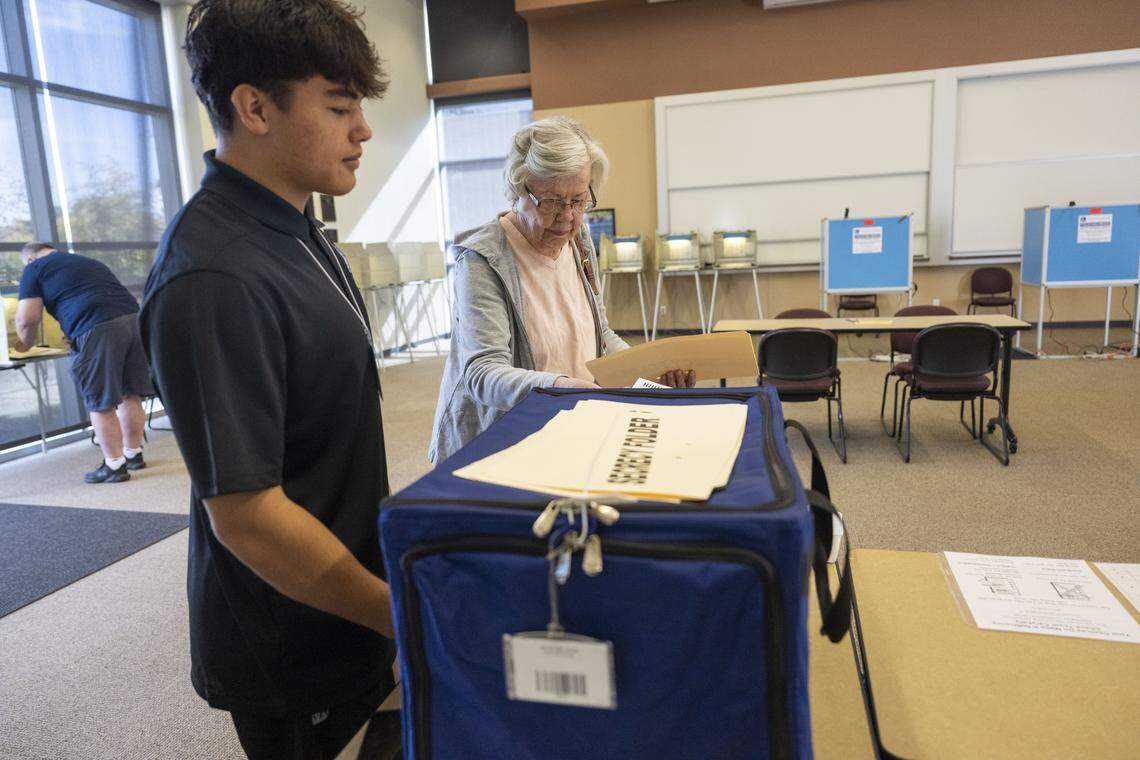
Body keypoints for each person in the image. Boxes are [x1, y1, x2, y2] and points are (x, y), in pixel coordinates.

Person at [139, 2, 397, 757]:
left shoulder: (297, 226)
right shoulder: (214, 274)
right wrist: (397, 612)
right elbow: (248, 516)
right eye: (341, 107)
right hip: (293, 641)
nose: (364, 130)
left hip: (347, 603)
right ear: (254, 107)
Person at [429, 116, 694, 463]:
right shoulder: (483, 260)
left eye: (579, 200)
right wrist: (559, 386)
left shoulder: (579, 241)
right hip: (496, 443)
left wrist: (646, 368)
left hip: (568, 423)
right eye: (552, 202)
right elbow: (484, 372)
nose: (567, 217)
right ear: (517, 191)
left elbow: (599, 336)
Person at [16, 243, 154, 483]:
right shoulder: (86, 261)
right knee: (130, 394)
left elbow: (27, 320)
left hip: (96, 326)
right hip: (134, 321)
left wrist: (24, 346)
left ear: (29, 259)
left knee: (100, 401)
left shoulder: (34, 269)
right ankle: (133, 454)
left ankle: (114, 466)